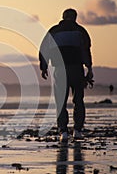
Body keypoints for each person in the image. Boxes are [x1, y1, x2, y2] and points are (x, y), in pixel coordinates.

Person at [39, 8, 93, 142]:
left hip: (59, 69)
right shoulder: (81, 31)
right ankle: (78, 130)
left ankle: (63, 131)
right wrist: (89, 68)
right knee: (78, 100)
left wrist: (44, 67)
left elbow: (44, 49)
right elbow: (85, 50)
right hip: (77, 68)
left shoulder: (54, 31)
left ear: (63, 17)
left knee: (60, 101)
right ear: (75, 17)